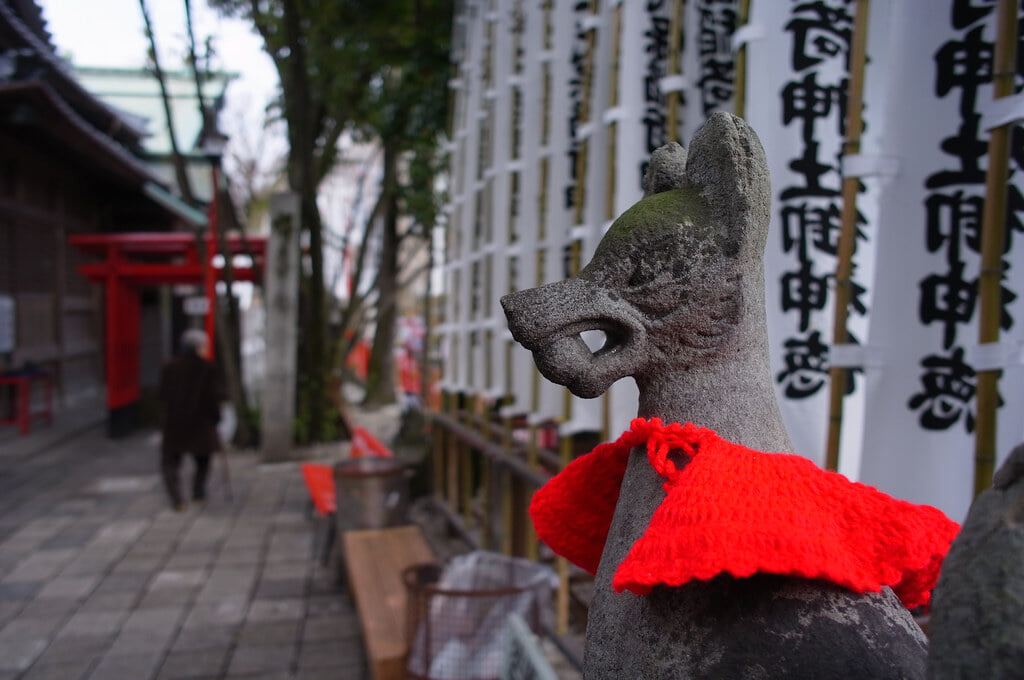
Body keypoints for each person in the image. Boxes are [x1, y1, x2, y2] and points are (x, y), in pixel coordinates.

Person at [158, 329, 223, 511]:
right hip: (199, 422)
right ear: (197, 348)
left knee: (170, 462)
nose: (206, 349)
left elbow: (162, 395)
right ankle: (198, 492)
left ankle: (177, 498)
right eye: (204, 346)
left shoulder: (169, 367)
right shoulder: (207, 368)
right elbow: (212, 398)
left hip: (174, 422)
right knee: (203, 458)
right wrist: (216, 418)